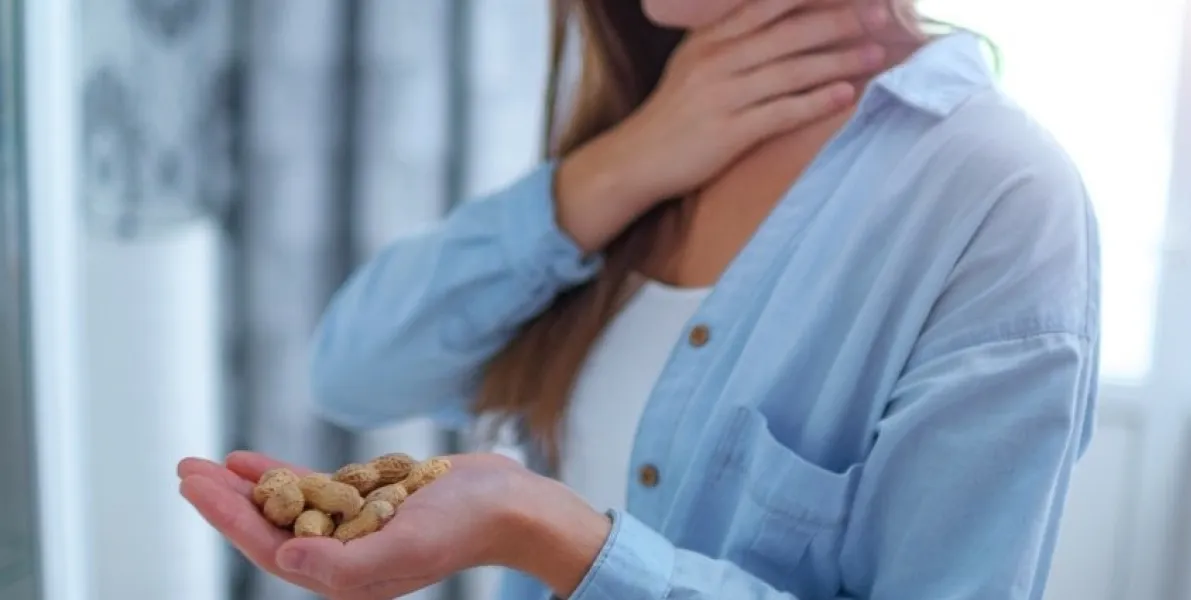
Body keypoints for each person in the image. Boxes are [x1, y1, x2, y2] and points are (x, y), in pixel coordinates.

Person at [178, 0, 1101, 598]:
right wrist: (618, 168)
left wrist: (547, 532)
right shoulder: (653, 121)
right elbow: (353, 370)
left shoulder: (997, 197)